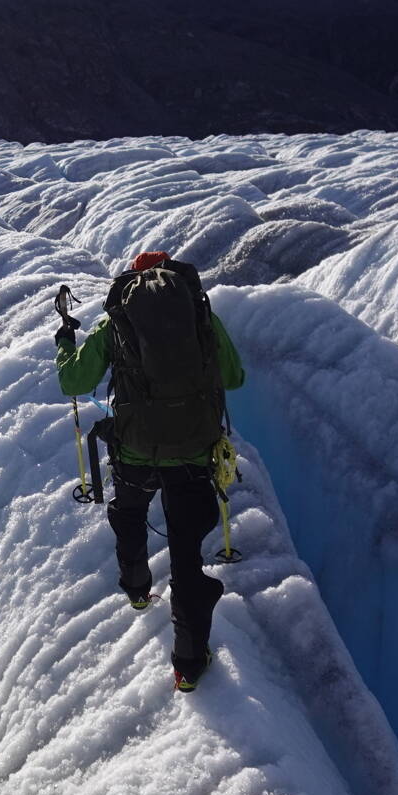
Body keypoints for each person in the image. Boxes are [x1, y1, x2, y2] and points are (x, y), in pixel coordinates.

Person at [55, 251, 244, 691]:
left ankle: (139, 592)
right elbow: (233, 377)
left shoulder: (117, 318)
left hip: (136, 450)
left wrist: (65, 343)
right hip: (194, 454)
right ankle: (188, 664)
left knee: (130, 514)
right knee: (185, 553)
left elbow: (75, 383)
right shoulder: (199, 314)